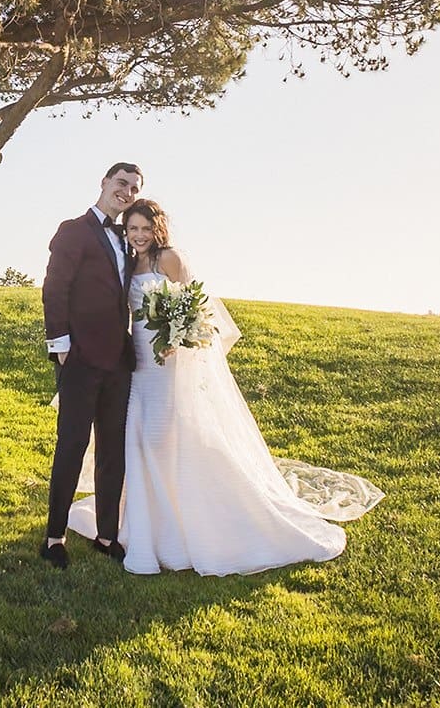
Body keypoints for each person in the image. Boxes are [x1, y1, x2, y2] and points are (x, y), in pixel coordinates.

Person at [66, 198, 384, 576]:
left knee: (163, 437)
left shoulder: (170, 259)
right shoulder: (127, 262)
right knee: (136, 438)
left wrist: (176, 338)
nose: (139, 235)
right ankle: (143, 521)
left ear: (157, 229)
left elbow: (197, 311)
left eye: (145, 228)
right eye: (133, 228)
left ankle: (182, 520)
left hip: (168, 366)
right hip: (137, 364)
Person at [38, 162, 143, 569]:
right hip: (80, 359)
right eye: (121, 183)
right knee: (72, 445)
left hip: (119, 362)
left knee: (113, 450)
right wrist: (60, 345)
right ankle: (54, 537)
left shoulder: (129, 240)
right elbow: (55, 287)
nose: (127, 192)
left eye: (134, 188)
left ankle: (106, 535)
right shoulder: (73, 231)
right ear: (104, 182)